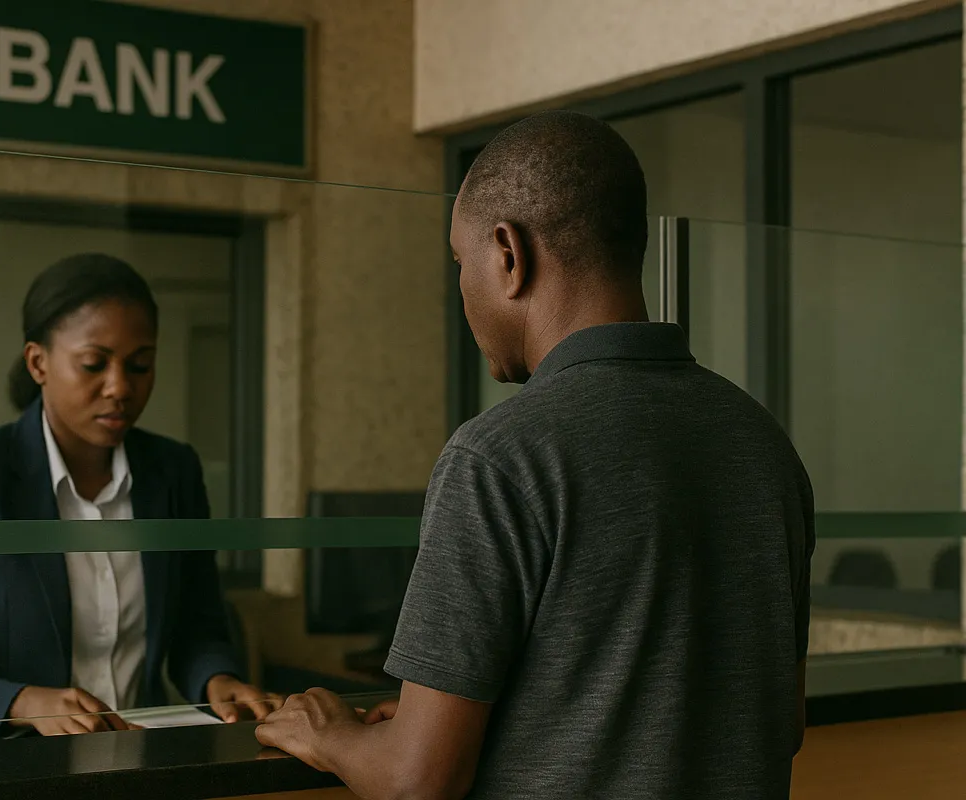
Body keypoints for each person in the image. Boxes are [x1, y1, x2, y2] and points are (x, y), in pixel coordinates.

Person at [256, 111, 814, 799]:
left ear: (508, 255)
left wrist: (330, 733)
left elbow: (416, 782)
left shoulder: (498, 457)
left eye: (462, 265)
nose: (462, 293)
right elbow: (776, 721)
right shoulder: (762, 444)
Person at [0, 253, 275, 744]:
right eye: (94, 364)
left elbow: (195, 628)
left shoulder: (173, 471)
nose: (120, 388)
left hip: (135, 757)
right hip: (2, 770)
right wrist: (26, 703)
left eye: (141, 365)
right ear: (38, 362)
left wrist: (216, 680)